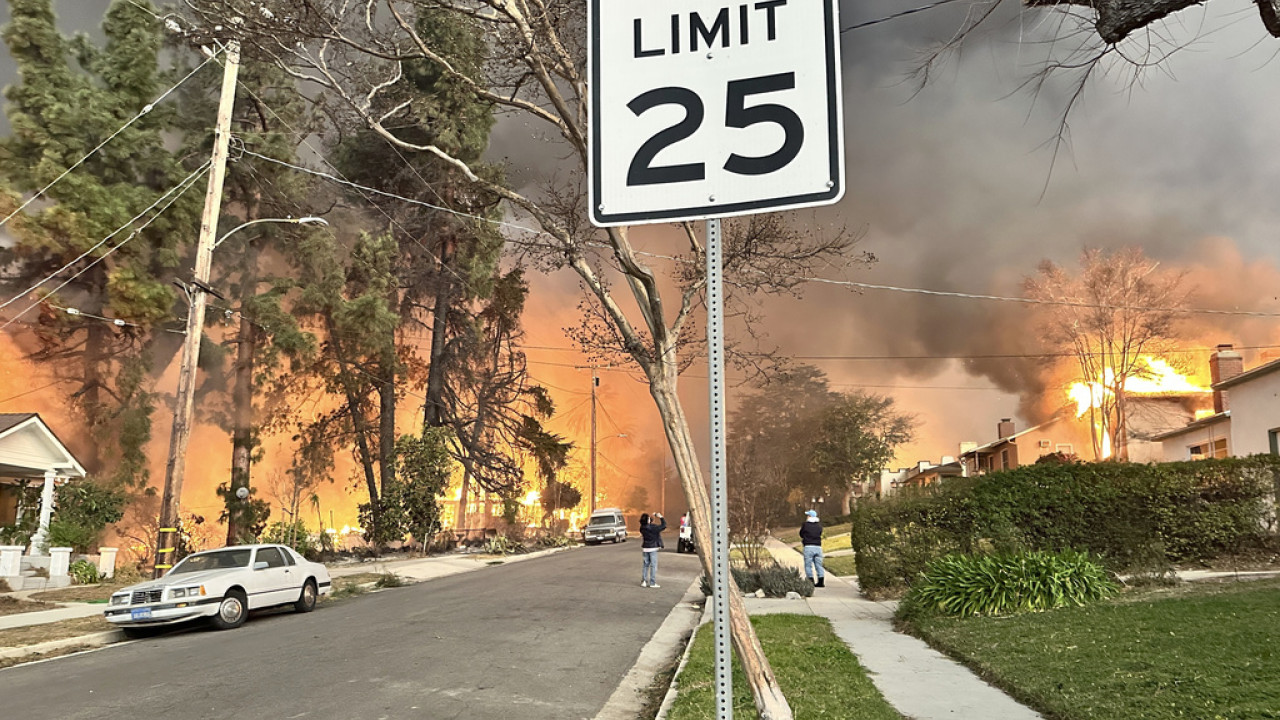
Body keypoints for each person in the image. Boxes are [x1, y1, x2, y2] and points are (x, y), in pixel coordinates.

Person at [639, 511, 666, 588]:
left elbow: (648, 523)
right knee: (653, 566)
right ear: (647, 520)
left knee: (645, 565)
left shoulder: (642, 528)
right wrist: (660, 517)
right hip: (653, 548)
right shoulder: (653, 528)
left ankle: (644, 581)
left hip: (645, 548)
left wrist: (651, 517)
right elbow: (663, 526)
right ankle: (652, 582)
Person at [800, 509, 825, 588]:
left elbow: (801, 533)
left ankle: (811, 581)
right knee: (819, 565)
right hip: (818, 547)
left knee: (808, 565)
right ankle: (821, 582)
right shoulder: (819, 525)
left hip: (808, 546)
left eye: (807, 515)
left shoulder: (805, 525)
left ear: (809, 516)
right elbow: (820, 533)